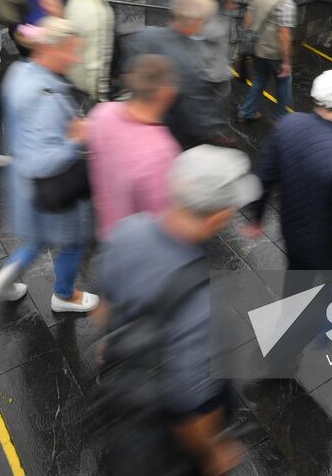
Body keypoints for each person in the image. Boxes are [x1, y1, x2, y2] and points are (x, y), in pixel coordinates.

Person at [97, 146, 257, 475]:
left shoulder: (127, 231)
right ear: (217, 217)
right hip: (164, 441)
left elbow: (103, 309)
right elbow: (193, 413)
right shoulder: (205, 307)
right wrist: (214, 454)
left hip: (124, 395)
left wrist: (108, 345)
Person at [0, 18, 98, 312]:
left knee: (38, 237)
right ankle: (64, 296)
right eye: (71, 51)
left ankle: (9, 276)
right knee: (71, 242)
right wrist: (78, 138)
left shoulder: (19, 72)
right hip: (53, 187)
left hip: (23, 183)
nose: (75, 59)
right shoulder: (47, 99)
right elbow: (45, 159)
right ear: (51, 49)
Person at [248, 69, 332, 270]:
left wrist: (256, 216)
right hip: (328, 253)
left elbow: (265, 175)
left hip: (293, 235)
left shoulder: (289, 123)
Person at [86, 54, 182, 240]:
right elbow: (161, 219)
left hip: (108, 229)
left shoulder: (103, 113)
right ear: (165, 93)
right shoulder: (161, 151)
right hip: (139, 245)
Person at [128, 0, 226, 148]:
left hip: (135, 122)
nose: (203, 26)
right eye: (202, 21)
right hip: (169, 135)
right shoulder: (187, 60)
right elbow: (194, 109)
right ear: (192, 21)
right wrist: (213, 130)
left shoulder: (144, 35)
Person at [236, 0, 297, 124]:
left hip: (257, 48)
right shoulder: (286, 3)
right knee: (283, 82)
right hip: (274, 52)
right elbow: (284, 35)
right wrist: (286, 61)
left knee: (260, 80)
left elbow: (247, 21)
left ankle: (245, 112)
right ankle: (281, 117)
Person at [66, 0, 121, 100]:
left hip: (70, 79)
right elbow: (97, 63)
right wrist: (101, 98)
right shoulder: (102, 13)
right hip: (87, 90)